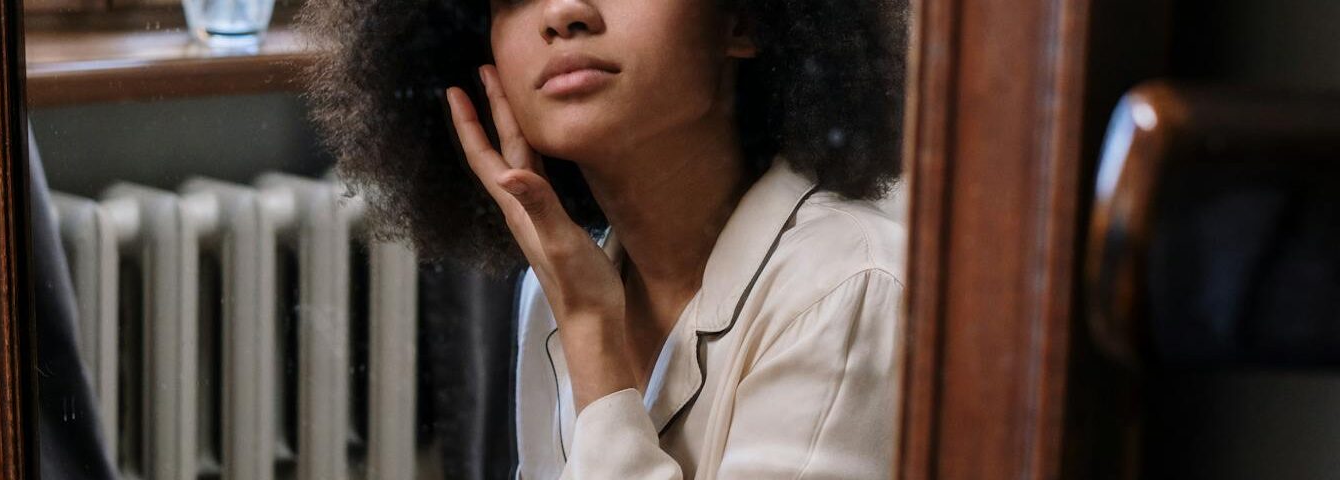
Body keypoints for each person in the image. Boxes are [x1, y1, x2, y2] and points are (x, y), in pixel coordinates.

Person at [301, 0, 908, 477]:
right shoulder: (561, 287)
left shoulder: (849, 290)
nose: (563, 11)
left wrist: (591, 334)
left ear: (743, 18)